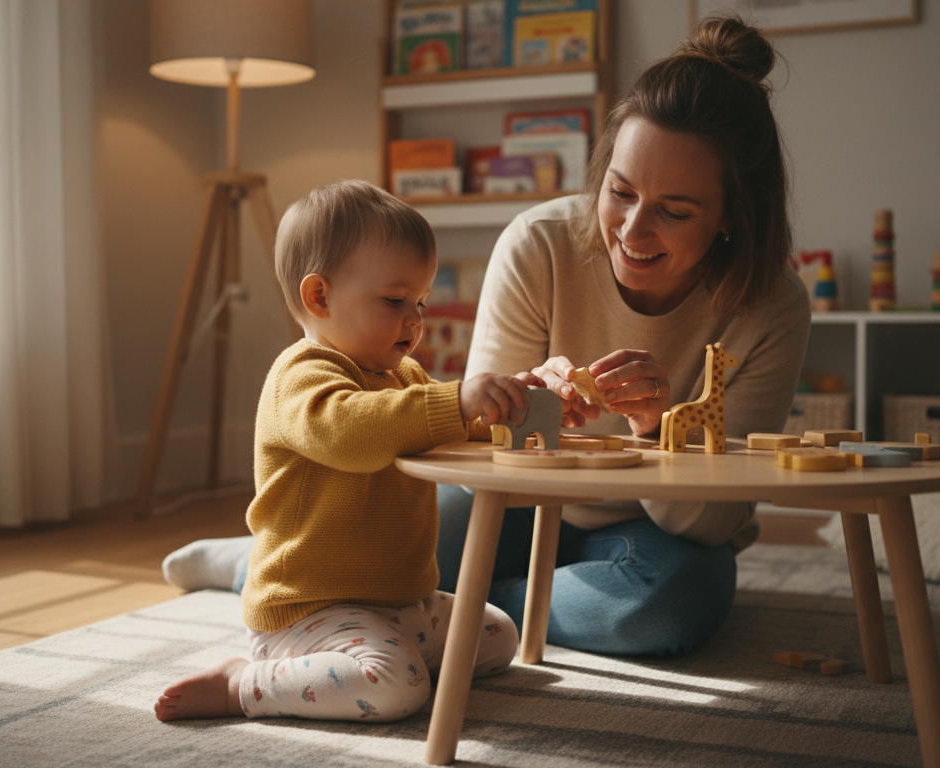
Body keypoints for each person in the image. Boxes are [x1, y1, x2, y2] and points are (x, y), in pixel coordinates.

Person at [164, 14, 810, 658]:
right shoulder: (541, 244)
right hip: (512, 505)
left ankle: (457, 602)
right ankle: (267, 567)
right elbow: (479, 466)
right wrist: (529, 404)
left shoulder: (770, 307)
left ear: (732, 216)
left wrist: (656, 428)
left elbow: (713, 520)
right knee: (372, 541)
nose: (632, 231)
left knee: (661, 612)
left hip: (651, 534)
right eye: (619, 191)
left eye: (674, 211)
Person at [155, 180, 534, 724]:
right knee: (395, 689)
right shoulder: (303, 376)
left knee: (499, 635)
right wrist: (453, 401)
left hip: (400, 601)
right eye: (395, 300)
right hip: (311, 607)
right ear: (319, 297)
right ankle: (243, 683)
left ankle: (390, 654)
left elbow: (443, 427)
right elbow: (352, 434)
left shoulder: (402, 375)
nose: (414, 319)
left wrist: (506, 408)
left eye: (420, 302)